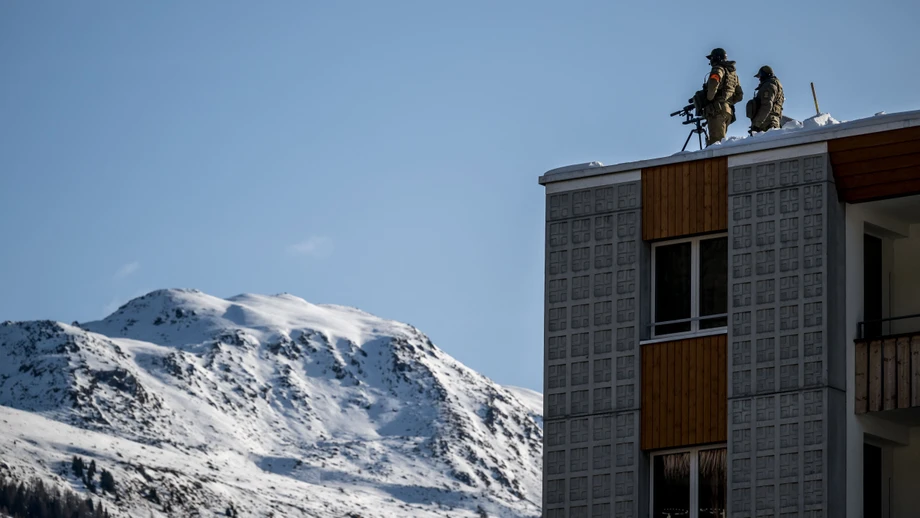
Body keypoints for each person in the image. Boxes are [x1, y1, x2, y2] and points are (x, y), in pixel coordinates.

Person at [702, 48, 743, 146]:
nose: (710, 62)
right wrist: (728, 102)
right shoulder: (733, 74)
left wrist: (709, 98)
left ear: (716, 58)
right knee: (720, 141)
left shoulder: (718, 69)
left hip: (717, 110)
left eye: (711, 58)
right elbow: (739, 95)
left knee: (716, 144)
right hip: (728, 111)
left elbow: (713, 82)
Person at [748, 65, 785, 133]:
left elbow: (767, 105)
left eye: (760, 76)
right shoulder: (776, 86)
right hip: (773, 122)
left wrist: (757, 124)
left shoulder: (768, 86)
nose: (759, 79)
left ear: (764, 75)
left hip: (766, 124)